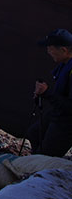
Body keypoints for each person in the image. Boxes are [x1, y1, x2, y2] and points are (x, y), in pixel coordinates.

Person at [26, 28, 72, 157]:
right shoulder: (65, 64)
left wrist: (47, 93)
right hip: (58, 113)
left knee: (46, 154)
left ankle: (41, 168)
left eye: (51, 48)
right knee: (34, 134)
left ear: (64, 50)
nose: (48, 52)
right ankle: (35, 164)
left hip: (67, 121)